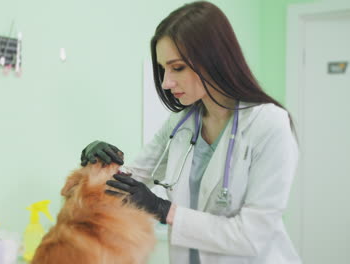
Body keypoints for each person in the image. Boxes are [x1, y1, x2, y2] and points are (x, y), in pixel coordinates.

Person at [80, 1, 300, 263]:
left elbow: (252, 235)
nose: (166, 82)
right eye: (163, 69)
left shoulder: (269, 124)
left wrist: (164, 210)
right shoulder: (180, 124)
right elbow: (127, 185)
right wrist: (96, 164)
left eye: (178, 67)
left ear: (213, 59)